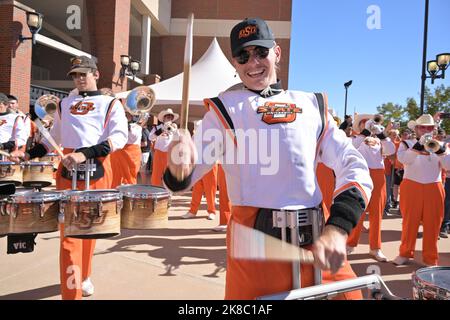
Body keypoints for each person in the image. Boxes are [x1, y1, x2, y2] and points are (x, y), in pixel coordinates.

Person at [163, 17, 373, 299]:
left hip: (320, 238)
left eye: (261, 52)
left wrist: (339, 227)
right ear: (234, 64)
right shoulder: (224, 110)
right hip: (255, 248)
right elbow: (186, 176)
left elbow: (352, 163)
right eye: (243, 56)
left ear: (277, 53)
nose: (253, 63)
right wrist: (178, 171)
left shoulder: (312, 105)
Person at [10, 56, 128, 299]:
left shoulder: (110, 103)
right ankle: (70, 293)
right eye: (75, 75)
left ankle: (84, 276)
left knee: (90, 231)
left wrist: (85, 154)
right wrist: (28, 155)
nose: (79, 79)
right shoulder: (65, 104)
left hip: (98, 171)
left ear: (96, 74)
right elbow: (53, 140)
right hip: (67, 173)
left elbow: (119, 138)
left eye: (84, 73)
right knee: (69, 236)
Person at [393, 114, 450, 266]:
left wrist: (441, 152)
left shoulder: (442, 145)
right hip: (411, 185)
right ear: (416, 128)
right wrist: (417, 147)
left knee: (433, 224)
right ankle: (405, 253)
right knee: (409, 222)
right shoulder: (406, 143)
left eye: (429, 127)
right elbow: (404, 160)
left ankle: (430, 259)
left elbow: (448, 166)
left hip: (434, 186)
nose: (426, 129)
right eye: (423, 127)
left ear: (434, 129)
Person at [346, 115, 396, 262]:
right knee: (358, 211)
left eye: (369, 123)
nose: (367, 125)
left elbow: (391, 150)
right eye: (363, 123)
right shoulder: (355, 139)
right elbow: (352, 147)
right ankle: (350, 243)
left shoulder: (380, 140)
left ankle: (375, 248)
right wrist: (365, 133)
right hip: (361, 174)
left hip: (378, 176)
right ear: (359, 126)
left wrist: (381, 134)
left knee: (377, 213)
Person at [150, 108, 178, 186]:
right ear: (163, 118)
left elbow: (178, 139)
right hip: (159, 153)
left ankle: (168, 192)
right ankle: (155, 190)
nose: (169, 117)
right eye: (167, 116)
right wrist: (161, 130)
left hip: (169, 154)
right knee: (156, 174)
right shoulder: (157, 128)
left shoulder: (174, 128)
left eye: (170, 116)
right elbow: (150, 137)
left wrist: (174, 130)